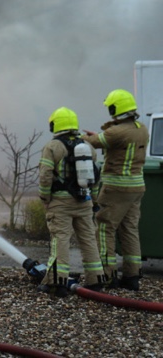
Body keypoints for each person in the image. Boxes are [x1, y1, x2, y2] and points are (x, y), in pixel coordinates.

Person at [82, 89, 149, 291]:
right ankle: (132, 276)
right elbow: (111, 140)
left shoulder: (117, 132)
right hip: (136, 188)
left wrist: (74, 136)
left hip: (116, 189)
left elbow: (93, 142)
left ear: (115, 108)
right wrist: (102, 135)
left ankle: (107, 275)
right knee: (129, 230)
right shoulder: (141, 128)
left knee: (104, 229)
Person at [37, 107, 105, 296]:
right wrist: (93, 198)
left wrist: (45, 198)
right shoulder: (88, 146)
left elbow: (45, 175)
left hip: (60, 203)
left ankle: (57, 283)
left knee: (61, 241)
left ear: (55, 125)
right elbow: (96, 176)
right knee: (89, 240)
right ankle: (96, 281)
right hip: (84, 201)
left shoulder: (52, 147)